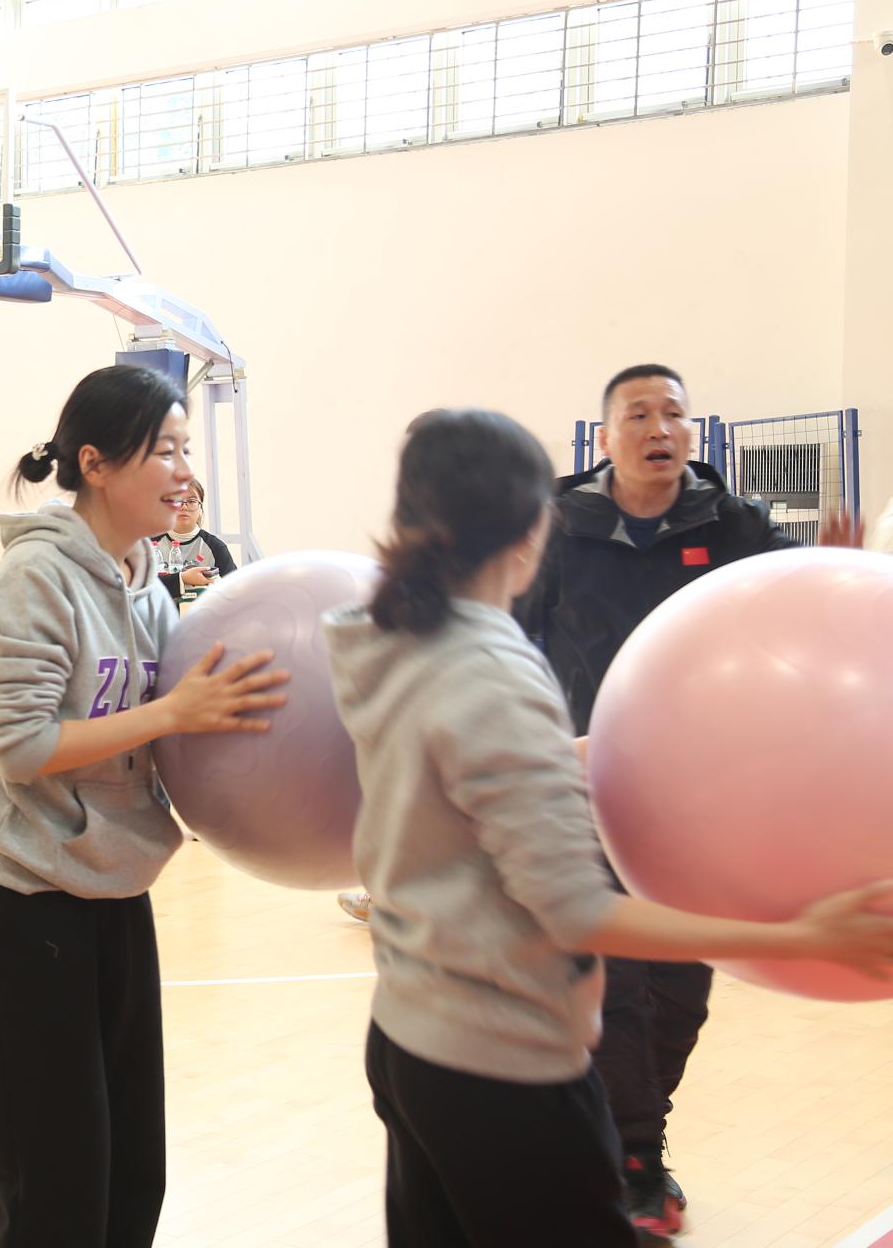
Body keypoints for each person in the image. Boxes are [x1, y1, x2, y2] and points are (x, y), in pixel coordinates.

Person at [323, 407, 893, 1248]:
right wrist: (798, 933)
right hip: (500, 1065)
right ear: (532, 529)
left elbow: (457, 768)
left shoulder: (392, 634)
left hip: (410, 1036)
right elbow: (578, 911)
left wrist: (628, 741)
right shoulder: (491, 669)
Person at [515, 363, 859, 1239]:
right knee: (617, 980)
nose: (660, 427)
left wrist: (842, 575)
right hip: (587, 780)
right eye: (639, 413)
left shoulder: (733, 523)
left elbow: (798, 611)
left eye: (674, 412)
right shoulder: (556, 526)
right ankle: (634, 1157)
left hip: (703, 797)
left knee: (679, 990)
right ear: (606, 437)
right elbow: (508, 633)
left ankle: (628, 1136)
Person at [0, 364, 290, 1247]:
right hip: (29, 909)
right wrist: (173, 713)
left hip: (118, 898)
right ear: (96, 464)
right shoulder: (36, 577)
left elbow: (177, 721)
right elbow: (19, 745)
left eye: (186, 448)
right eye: (165, 450)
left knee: (133, 1177)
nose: (185, 470)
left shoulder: (145, 579)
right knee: (54, 1191)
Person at [150, 477, 237, 603]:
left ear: (200, 507)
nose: (184, 507)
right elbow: (139, 588)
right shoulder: (150, 546)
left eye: (191, 501)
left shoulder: (216, 548)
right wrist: (182, 578)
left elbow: (234, 592)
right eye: (177, 500)